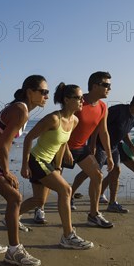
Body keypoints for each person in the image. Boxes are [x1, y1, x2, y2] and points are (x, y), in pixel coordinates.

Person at [0, 75, 47, 266]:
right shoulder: (20, 110)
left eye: (47, 92)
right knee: (15, 197)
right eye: (43, 92)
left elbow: (2, 142)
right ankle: (14, 251)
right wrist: (6, 171)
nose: (46, 96)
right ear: (30, 92)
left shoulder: (20, 109)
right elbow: (2, 144)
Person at [18, 83, 94, 250]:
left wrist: (58, 166)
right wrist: (24, 165)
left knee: (39, 200)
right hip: (36, 160)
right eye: (78, 98)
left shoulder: (74, 120)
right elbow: (28, 138)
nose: (82, 101)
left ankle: (12, 217)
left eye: (82, 98)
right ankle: (68, 235)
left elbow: (62, 144)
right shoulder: (53, 119)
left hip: (49, 162)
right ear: (66, 100)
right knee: (66, 190)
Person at [51, 71, 115, 229]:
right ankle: (39, 209)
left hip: (80, 147)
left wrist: (109, 155)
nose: (109, 88)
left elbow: (103, 132)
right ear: (95, 86)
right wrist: (65, 150)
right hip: (60, 145)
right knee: (53, 181)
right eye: (106, 85)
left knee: (97, 175)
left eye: (110, 85)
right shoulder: (78, 101)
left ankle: (93, 214)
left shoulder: (102, 106)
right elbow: (62, 127)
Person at [96, 91, 134, 213]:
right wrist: (92, 145)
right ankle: (71, 196)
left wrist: (132, 146)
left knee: (116, 172)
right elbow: (99, 125)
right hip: (100, 145)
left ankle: (112, 203)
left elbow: (124, 132)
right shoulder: (117, 110)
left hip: (115, 147)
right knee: (92, 173)